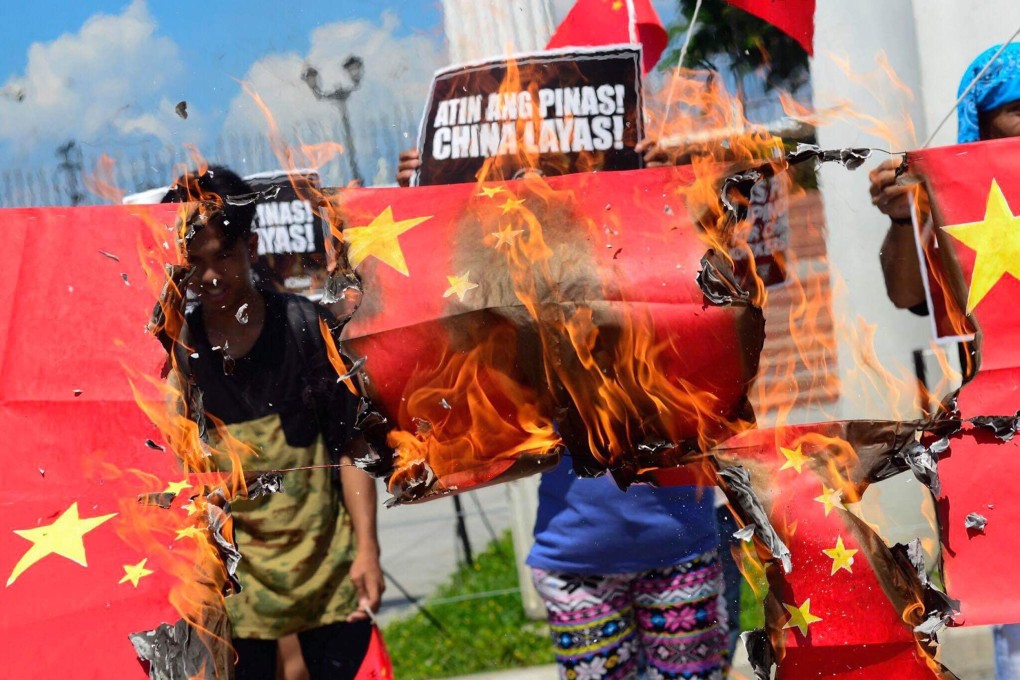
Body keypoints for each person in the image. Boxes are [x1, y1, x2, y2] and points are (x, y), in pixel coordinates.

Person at [396, 147, 730, 680]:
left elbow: (719, 292)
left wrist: (669, 188)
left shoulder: (655, 283)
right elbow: (448, 316)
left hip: (680, 551)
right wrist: (431, 196)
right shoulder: (524, 318)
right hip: (577, 564)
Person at [162, 166, 384, 680]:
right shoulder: (180, 356)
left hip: (328, 586)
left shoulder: (307, 328)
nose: (210, 276)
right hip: (235, 605)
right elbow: (182, 483)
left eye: (224, 255)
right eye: (195, 263)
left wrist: (367, 550)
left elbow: (349, 447)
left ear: (251, 246)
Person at [869, 43, 1020, 680]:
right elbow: (910, 295)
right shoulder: (968, 209)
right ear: (980, 125)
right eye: (1017, 109)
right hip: (1005, 447)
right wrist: (910, 217)